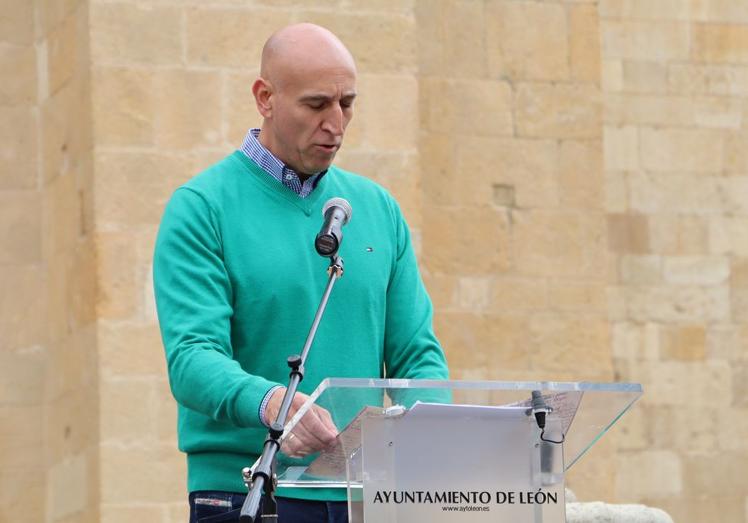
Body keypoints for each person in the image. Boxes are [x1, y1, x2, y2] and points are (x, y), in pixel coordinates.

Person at [153, 23, 449, 523]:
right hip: (244, 493)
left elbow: (416, 356)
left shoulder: (378, 208)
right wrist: (274, 404)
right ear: (265, 98)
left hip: (368, 497)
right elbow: (192, 359)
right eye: (316, 106)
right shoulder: (201, 208)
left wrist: (431, 437)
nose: (336, 124)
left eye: (347, 103)